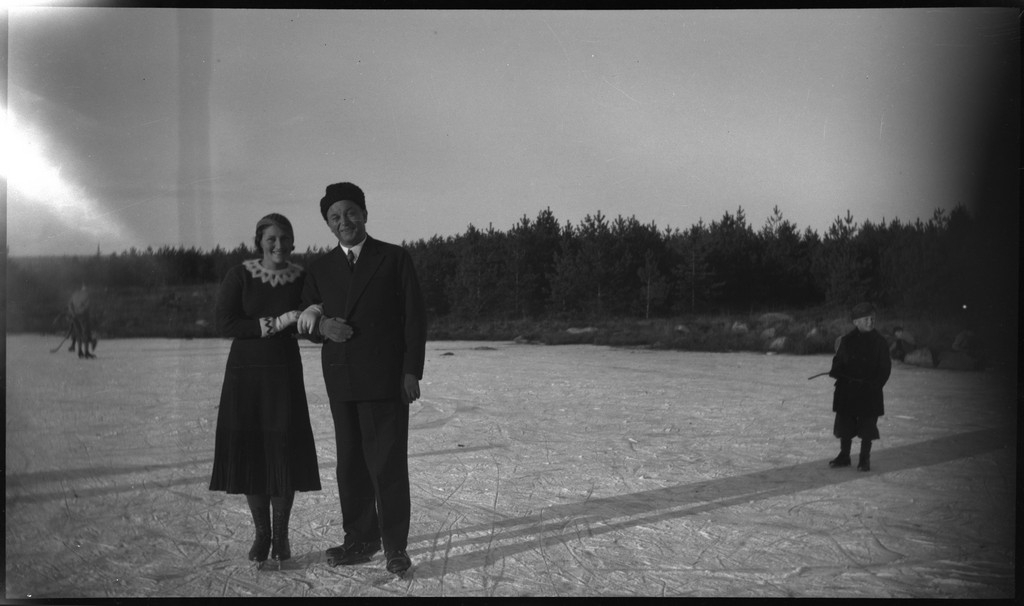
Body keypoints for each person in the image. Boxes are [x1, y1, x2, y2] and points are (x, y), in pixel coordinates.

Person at [296, 182, 427, 576]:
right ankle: (360, 539)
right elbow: (304, 317)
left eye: (350, 212)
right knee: (350, 464)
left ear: (365, 214)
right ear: (328, 224)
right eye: (335, 217)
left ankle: (395, 546)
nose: (344, 222)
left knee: (386, 463)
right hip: (342, 378)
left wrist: (410, 371)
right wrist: (322, 328)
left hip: (386, 378)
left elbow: (414, 319)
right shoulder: (320, 269)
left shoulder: (393, 258)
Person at [209, 213, 328, 567]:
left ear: (293, 241)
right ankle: (262, 535)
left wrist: (314, 315)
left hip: (283, 375)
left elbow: (313, 314)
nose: (278, 245)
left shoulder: (302, 277)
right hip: (244, 376)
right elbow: (223, 321)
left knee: (282, 452)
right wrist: (273, 324)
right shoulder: (241, 275)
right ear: (259, 240)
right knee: (252, 452)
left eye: (285, 238)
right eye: (271, 238)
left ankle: (282, 534)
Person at [827, 302, 891, 472]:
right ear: (856, 322)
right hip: (847, 390)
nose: (871, 321)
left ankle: (864, 459)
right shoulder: (846, 340)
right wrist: (836, 371)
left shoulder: (880, 343)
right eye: (866, 319)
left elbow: (885, 369)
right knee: (845, 424)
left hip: (869, 392)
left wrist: (875, 385)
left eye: (873, 318)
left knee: (867, 427)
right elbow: (838, 361)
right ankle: (844, 455)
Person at [67, 284, 97, 358]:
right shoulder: (87, 295)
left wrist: (73, 313)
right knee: (85, 333)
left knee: (78, 334)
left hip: (74, 316)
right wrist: (82, 311)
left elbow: (70, 304)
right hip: (83, 316)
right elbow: (87, 306)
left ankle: (80, 351)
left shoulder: (75, 294)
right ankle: (86, 352)